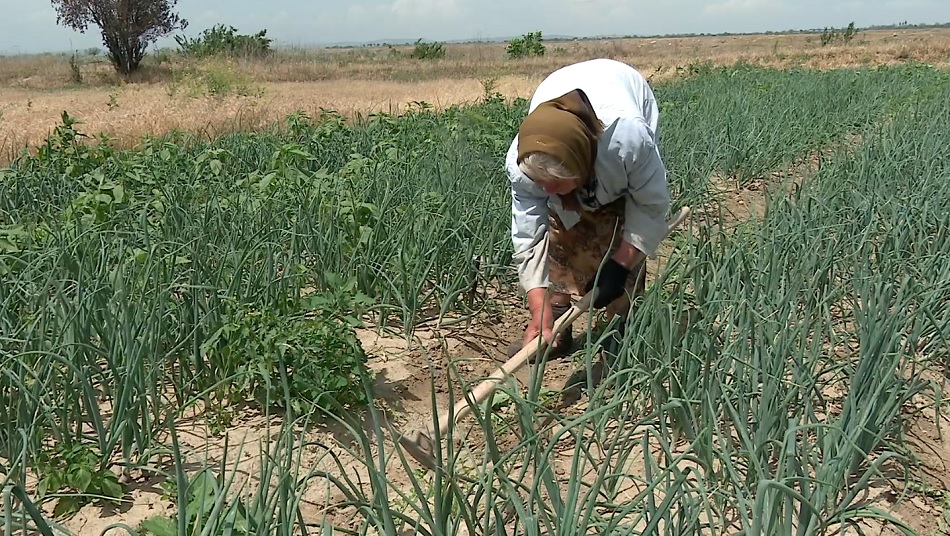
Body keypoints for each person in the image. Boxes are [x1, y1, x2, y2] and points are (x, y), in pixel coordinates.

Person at [505, 58, 672, 360]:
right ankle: (555, 326)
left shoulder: (628, 142)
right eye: (540, 183)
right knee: (558, 224)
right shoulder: (523, 162)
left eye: (555, 181)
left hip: (622, 100)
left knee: (617, 226)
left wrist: (621, 264)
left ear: (582, 163)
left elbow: (649, 207)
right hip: (566, 126)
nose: (547, 190)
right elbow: (529, 234)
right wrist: (538, 303)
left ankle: (623, 327)